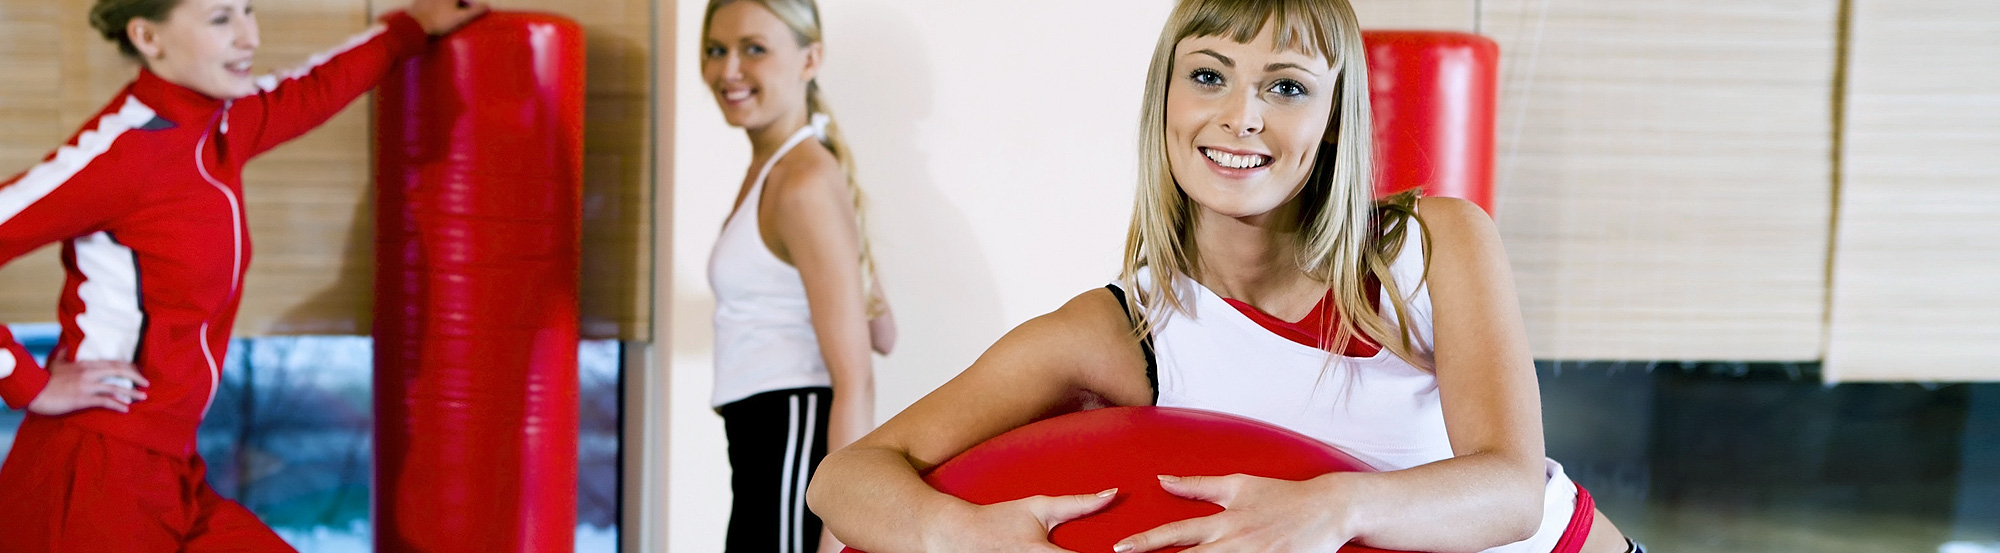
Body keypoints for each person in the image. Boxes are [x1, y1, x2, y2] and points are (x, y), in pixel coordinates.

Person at [807, 0, 1646, 552]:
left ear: (1332, 118)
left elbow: (1511, 489)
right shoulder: (1123, 331)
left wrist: (1334, 506)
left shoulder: (1434, 241)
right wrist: (957, 533)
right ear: (1166, 99)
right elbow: (844, 476)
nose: (1241, 116)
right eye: (1209, 75)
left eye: (1286, 87)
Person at [0, 1, 485, 551]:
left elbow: (313, 89)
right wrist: (28, 384)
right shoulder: (121, 152)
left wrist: (412, 27)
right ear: (149, 38)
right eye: (220, 18)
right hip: (90, 479)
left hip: (170, 471)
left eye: (248, 10)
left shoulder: (222, 124)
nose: (249, 36)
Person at [700, 1, 896, 552]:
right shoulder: (782, 168)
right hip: (764, 443)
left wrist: (838, 534)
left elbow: (856, 379)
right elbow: (883, 330)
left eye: (754, 49)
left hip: (789, 435)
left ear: (810, 60)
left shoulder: (803, 182)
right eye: (716, 49)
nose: (728, 70)